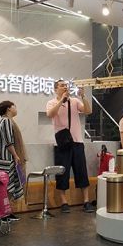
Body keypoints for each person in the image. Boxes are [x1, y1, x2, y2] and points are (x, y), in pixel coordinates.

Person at [46, 80, 95, 213]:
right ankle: (64, 202)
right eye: (62, 85)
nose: (65, 87)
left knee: (81, 171)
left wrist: (83, 96)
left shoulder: (74, 101)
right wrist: (61, 100)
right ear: (55, 89)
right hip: (62, 143)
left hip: (77, 142)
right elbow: (50, 114)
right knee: (62, 173)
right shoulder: (51, 102)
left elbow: (88, 111)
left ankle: (86, 201)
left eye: (66, 85)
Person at [0, 101, 27, 219]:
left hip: (7, 159)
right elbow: (9, 141)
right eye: (14, 106)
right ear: (8, 109)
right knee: (7, 187)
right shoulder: (6, 121)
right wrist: (15, 155)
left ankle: (7, 212)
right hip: (7, 159)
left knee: (10, 186)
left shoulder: (6, 121)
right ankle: (3, 213)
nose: (16, 108)